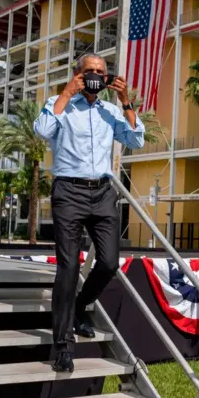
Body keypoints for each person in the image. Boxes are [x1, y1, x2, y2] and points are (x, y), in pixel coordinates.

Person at [33, 53, 145, 373]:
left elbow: (135, 138)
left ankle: (82, 306)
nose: (95, 75)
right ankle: (63, 346)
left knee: (109, 262)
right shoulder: (61, 102)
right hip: (69, 191)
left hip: (103, 193)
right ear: (78, 74)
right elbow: (42, 129)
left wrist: (125, 101)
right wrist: (67, 93)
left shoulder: (111, 111)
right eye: (89, 71)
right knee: (68, 268)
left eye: (101, 72)